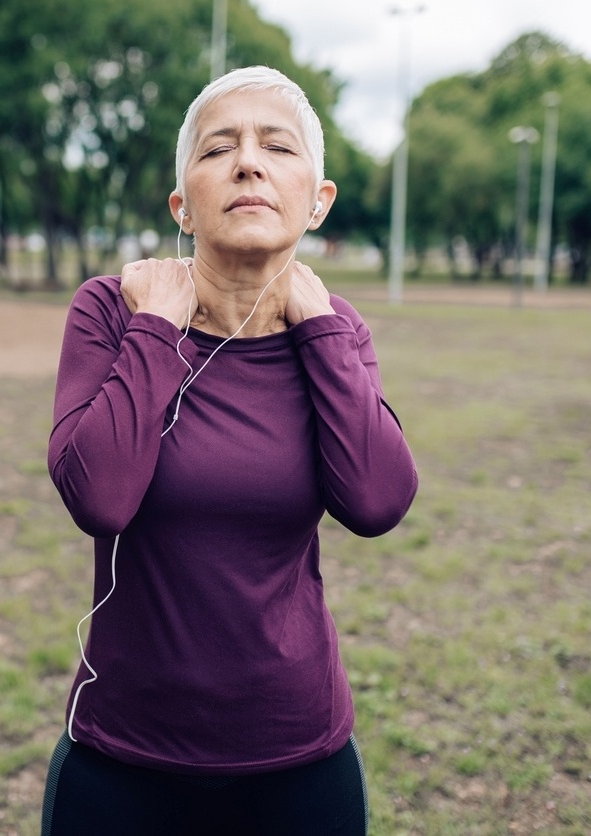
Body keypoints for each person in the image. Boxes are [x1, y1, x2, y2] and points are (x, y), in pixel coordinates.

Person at [42, 65, 419, 835]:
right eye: (219, 149)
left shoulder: (335, 330)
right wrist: (158, 330)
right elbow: (99, 499)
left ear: (318, 200)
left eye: (276, 147)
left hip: (298, 762)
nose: (248, 162)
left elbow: (378, 503)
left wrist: (320, 330)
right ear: (182, 205)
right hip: (124, 761)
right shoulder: (114, 310)